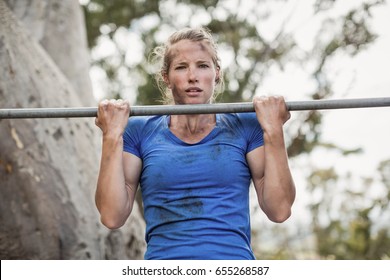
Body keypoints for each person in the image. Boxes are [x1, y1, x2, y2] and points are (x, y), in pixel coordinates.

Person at [94, 27, 296, 260]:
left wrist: (274, 130)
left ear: (216, 73)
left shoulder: (246, 127)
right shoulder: (140, 131)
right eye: (181, 67)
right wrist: (111, 136)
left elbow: (279, 210)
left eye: (202, 65)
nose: (193, 76)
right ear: (166, 77)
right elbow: (112, 216)